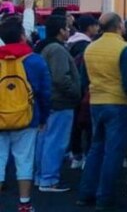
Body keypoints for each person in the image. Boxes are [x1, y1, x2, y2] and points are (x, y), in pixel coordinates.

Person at [77, 13, 127, 210]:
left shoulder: (90, 48)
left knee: (96, 147)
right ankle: (105, 197)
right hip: (119, 103)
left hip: (96, 101)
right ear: (119, 25)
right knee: (114, 152)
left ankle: (86, 192)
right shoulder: (124, 49)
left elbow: (84, 80)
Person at [0, 17, 52, 212]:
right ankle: (24, 203)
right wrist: (43, 117)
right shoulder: (35, 60)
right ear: (22, 36)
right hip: (27, 117)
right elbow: (45, 93)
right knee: (25, 160)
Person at [34, 15, 81, 192]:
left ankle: (41, 176)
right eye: (67, 28)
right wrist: (75, 92)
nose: (69, 30)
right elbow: (61, 78)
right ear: (61, 31)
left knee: (44, 140)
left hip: (48, 100)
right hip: (60, 101)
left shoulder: (44, 47)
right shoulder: (57, 50)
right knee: (56, 141)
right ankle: (49, 179)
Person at [67, 15, 99, 169]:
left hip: (73, 90)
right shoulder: (86, 45)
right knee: (87, 125)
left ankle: (76, 154)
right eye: (95, 25)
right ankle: (84, 156)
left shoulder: (70, 43)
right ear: (90, 27)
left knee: (76, 124)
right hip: (85, 91)